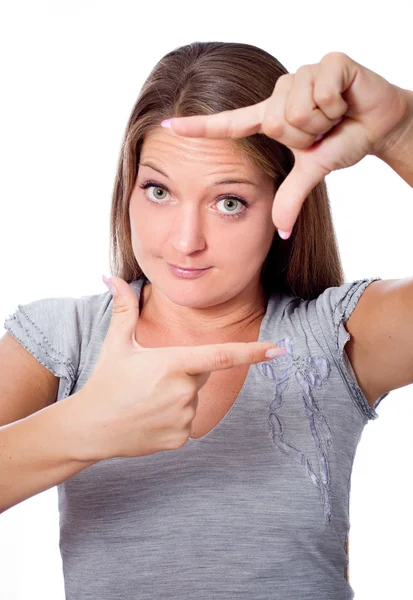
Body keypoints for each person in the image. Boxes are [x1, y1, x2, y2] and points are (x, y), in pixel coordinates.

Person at [1, 41, 413, 600]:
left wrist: (399, 132)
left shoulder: (332, 338)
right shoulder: (62, 341)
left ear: (285, 199)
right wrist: (83, 425)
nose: (185, 241)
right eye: (159, 191)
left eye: (229, 202)